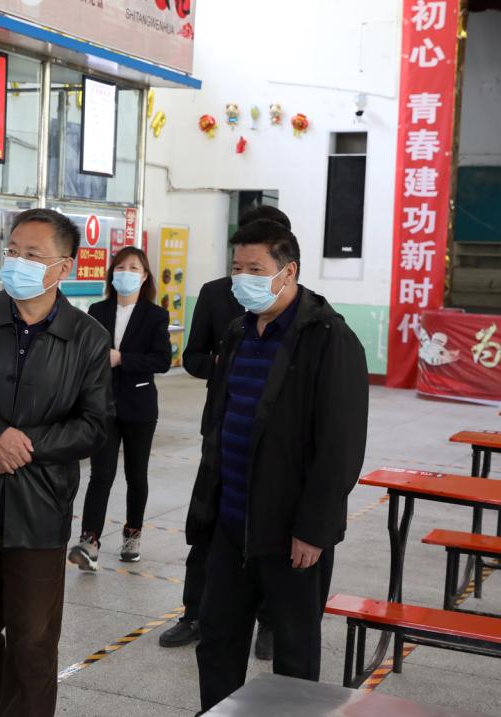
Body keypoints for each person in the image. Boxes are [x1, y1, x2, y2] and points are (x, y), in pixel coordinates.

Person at [0, 208, 112, 717]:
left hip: (39, 510)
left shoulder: (87, 338)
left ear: (64, 267)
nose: (17, 262)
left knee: (32, 643)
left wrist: (23, 444)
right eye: (12, 251)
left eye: (32, 254)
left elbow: (94, 425)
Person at [189, 219, 369, 712]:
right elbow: (219, 425)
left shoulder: (329, 339)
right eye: (236, 268)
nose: (242, 279)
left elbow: (340, 446)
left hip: (292, 535)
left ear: (288, 271)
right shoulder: (237, 332)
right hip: (230, 524)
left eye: (255, 269)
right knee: (217, 641)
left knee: (293, 655)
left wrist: (313, 528)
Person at [159, 205, 291, 657]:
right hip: (222, 429)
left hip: (272, 439)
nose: (248, 274)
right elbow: (193, 357)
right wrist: (226, 362)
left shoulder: (299, 308)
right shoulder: (217, 294)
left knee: (269, 533)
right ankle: (194, 613)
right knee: (209, 524)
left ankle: (269, 622)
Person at [68, 246, 171, 570]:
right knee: (101, 474)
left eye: (134, 268)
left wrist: (123, 359)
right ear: (112, 274)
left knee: (136, 475)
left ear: (145, 276)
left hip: (140, 405)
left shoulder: (155, 315)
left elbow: (162, 360)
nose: (126, 273)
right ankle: (89, 540)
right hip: (103, 405)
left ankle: (132, 534)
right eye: (121, 267)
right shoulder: (97, 310)